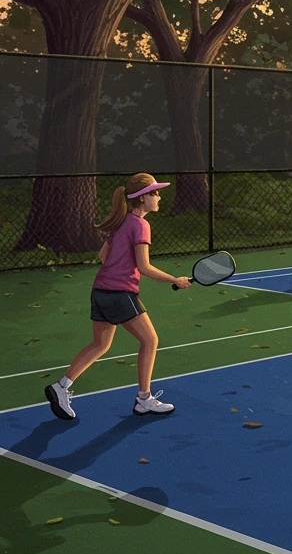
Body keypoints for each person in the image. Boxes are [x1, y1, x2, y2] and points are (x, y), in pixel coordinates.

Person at [44, 173, 192, 421]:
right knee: (150, 341)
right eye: (155, 193)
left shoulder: (121, 222)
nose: (159, 197)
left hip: (100, 290)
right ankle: (144, 400)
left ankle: (61, 386)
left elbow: (103, 257)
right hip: (119, 293)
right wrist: (175, 280)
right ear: (143, 198)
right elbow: (144, 267)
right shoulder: (140, 225)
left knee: (100, 344)